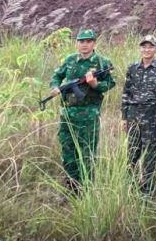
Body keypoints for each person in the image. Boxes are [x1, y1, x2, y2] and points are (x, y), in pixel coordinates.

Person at [49, 28, 115, 193]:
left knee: (87, 153)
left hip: (89, 114)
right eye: (81, 41)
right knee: (68, 151)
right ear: (77, 43)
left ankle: (87, 189)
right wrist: (55, 87)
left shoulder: (102, 62)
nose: (84, 45)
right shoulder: (70, 60)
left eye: (88, 41)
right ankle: (71, 188)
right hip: (68, 114)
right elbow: (56, 75)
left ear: (94, 43)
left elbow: (110, 83)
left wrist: (95, 85)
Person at [121, 34, 156, 194]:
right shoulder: (132, 67)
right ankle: (129, 184)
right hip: (133, 114)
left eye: (150, 46)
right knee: (132, 151)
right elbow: (126, 93)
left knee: (149, 152)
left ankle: (147, 188)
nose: (147, 49)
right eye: (144, 46)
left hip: (152, 114)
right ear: (140, 48)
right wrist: (124, 117)